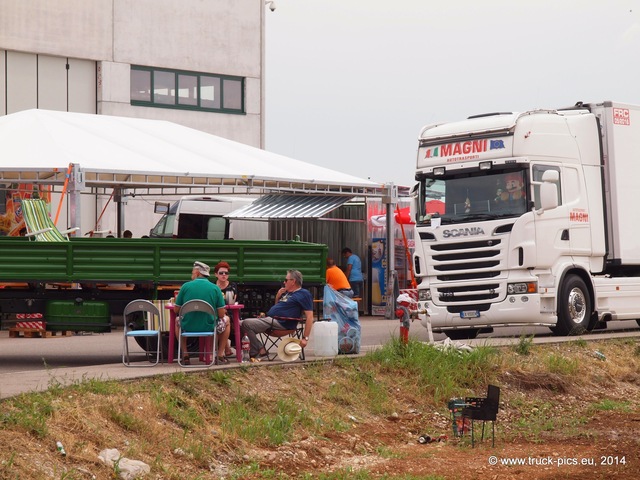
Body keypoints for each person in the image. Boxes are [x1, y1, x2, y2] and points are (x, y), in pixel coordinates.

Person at [240, 269, 313, 360]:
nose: (284, 282)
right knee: (238, 323)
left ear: (293, 281)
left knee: (246, 323)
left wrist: (305, 338)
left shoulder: (304, 294)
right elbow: (277, 308)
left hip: (281, 323)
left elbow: (310, 317)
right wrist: (278, 297)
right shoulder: (287, 293)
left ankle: (259, 350)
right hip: (271, 319)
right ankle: (251, 349)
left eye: (286, 280)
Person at [173, 261, 226, 365]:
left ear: (197, 273)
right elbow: (221, 314)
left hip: (187, 326)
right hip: (209, 327)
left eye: (192, 273)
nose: (191, 275)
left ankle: (185, 354)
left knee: (177, 320)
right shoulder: (215, 288)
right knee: (226, 321)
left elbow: (176, 311)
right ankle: (220, 355)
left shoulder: (185, 286)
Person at [213, 261, 238, 363]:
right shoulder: (213, 286)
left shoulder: (232, 286)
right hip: (217, 313)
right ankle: (224, 350)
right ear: (216, 274)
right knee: (221, 319)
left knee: (223, 318)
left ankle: (222, 351)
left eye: (226, 273)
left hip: (230, 312)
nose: (224, 275)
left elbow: (233, 301)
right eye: (221, 273)